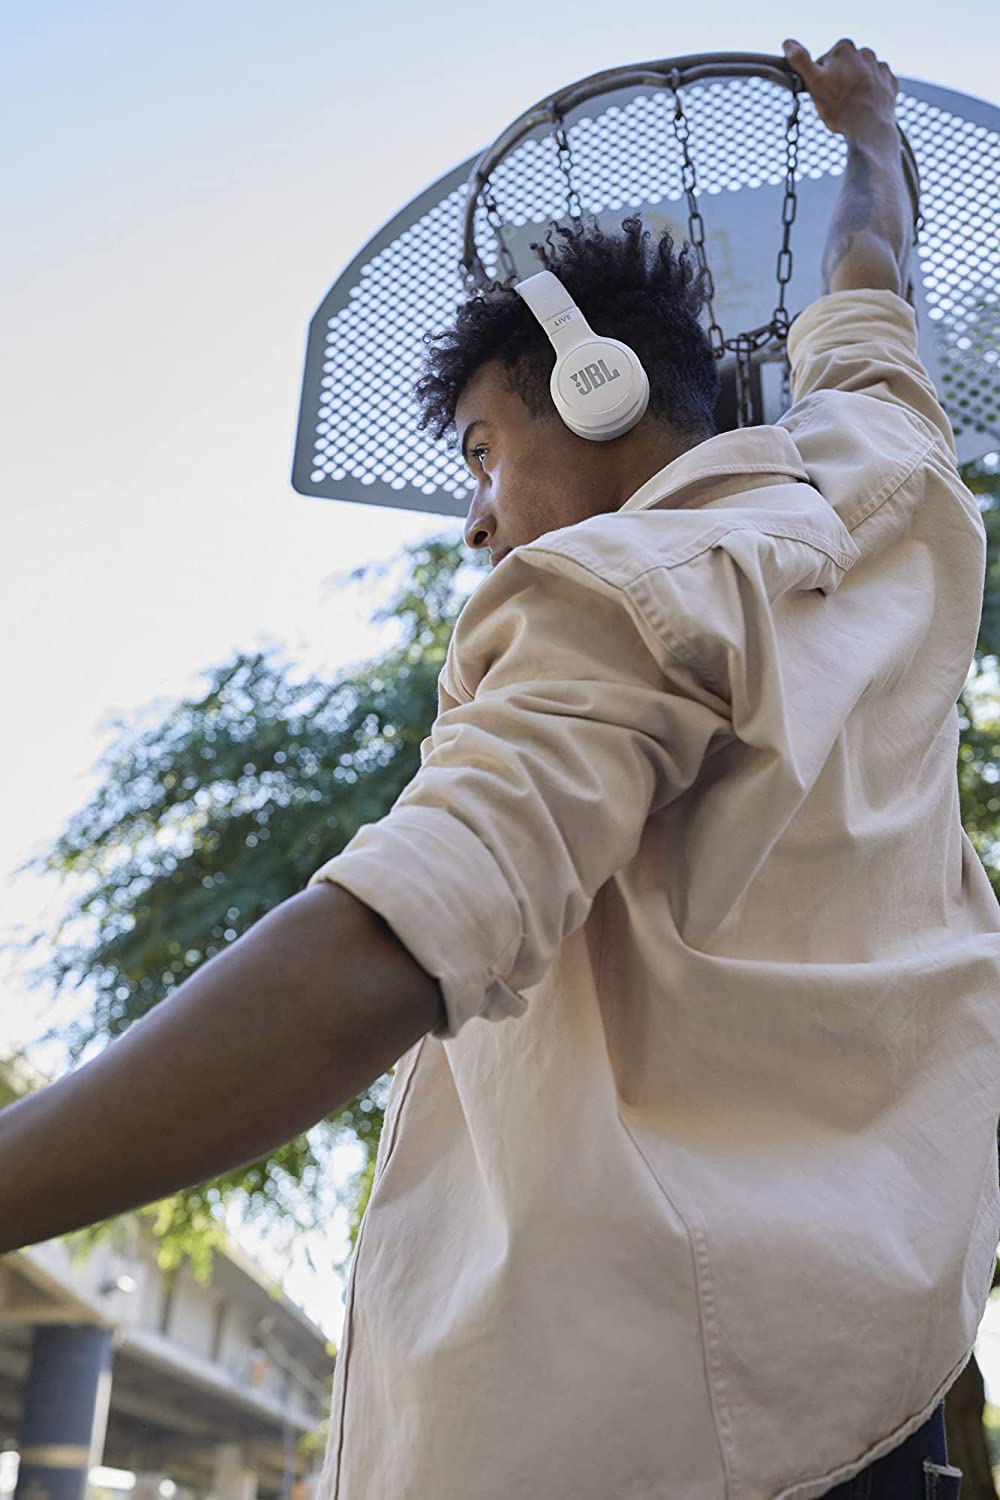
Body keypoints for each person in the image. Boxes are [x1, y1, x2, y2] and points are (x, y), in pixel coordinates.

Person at [0, 35, 989, 1500]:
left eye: (481, 451)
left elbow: (391, 942)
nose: (473, 520)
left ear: (595, 389)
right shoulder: (891, 475)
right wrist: (869, 128)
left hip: (640, 1446)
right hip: (873, 1404)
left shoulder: (621, 595)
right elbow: (868, 273)